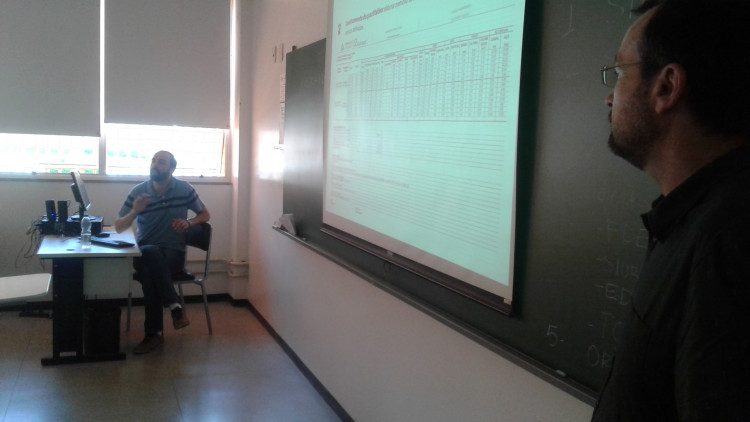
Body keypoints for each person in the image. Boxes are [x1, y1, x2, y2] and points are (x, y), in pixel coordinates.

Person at [593, 0, 750, 420]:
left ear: (666, 87)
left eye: (620, 73)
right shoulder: (692, 218)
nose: (609, 97)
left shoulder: (725, 244)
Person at [115, 151, 211, 354]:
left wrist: (189, 222)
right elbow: (119, 226)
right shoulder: (139, 192)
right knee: (150, 251)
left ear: (172, 168)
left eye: (161, 162)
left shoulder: (184, 189)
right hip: (144, 253)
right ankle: (174, 306)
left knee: (149, 277)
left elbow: (205, 214)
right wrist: (135, 211)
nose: (154, 165)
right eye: (153, 161)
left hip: (173, 254)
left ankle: (155, 334)